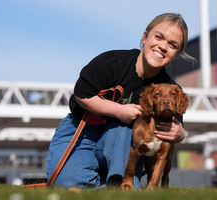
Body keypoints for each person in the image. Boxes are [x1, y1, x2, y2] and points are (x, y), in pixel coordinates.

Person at [46, 13, 192, 189]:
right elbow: (82, 95)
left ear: (176, 53)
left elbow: (176, 125)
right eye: (158, 37)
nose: (162, 46)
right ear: (145, 37)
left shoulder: (169, 88)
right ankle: (102, 184)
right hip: (81, 127)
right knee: (67, 184)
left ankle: (119, 184)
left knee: (125, 131)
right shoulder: (113, 62)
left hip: (121, 140)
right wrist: (119, 111)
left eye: (172, 45)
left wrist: (180, 133)